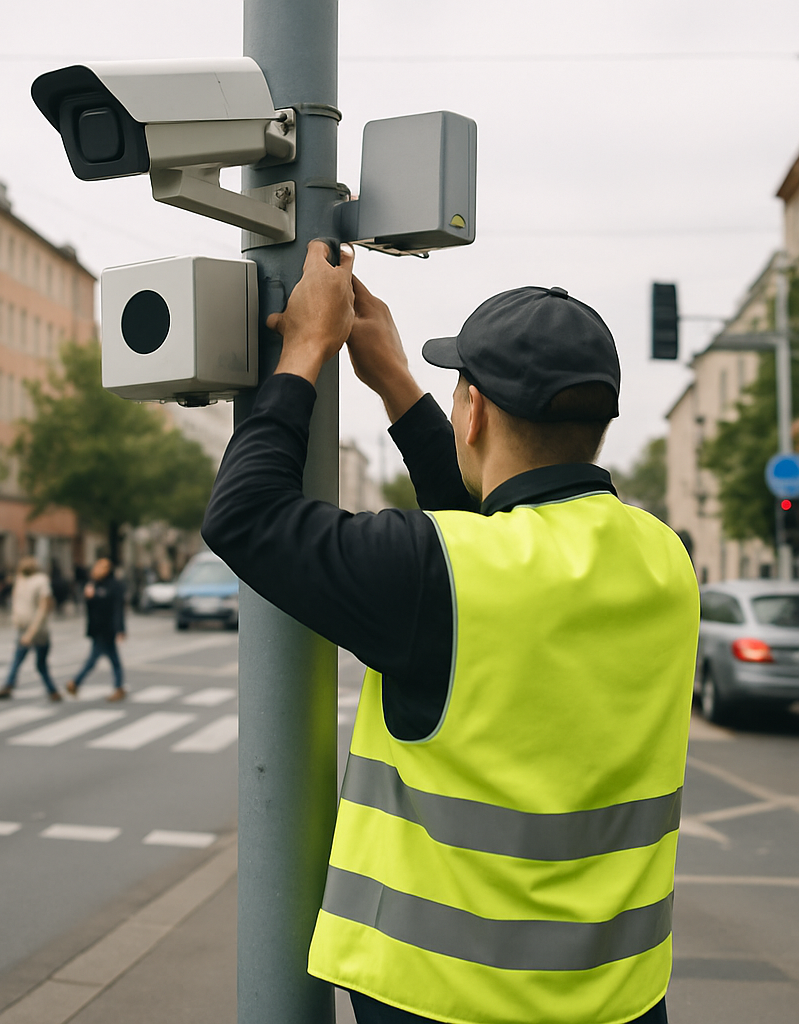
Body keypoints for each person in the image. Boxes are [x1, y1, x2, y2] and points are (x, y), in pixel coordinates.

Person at [201, 242, 699, 1024]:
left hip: (443, 1001)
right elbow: (490, 535)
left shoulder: (445, 574)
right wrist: (396, 383)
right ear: (601, 418)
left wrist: (304, 349)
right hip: (617, 999)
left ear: (473, 410)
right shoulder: (665, 561)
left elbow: (245, 515)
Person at [0, 555, 60, 702]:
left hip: (37, 630)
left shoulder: (41, 581)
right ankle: (11, 684)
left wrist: (32, 632)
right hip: (23, 627)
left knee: (39, 663)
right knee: (22, 659)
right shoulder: (20, 580)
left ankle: (51, 691)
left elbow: (44, 607)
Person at [65, 557, 127, 702]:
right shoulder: (92, 584)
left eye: (104, 567)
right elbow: (90, 610)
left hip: (108, 629)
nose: (100, 569)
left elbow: (118, 609)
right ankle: (118, 687)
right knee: (111, 660)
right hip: (96, 629)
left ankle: (75, 683)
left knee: (96, 659)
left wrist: (120, 630)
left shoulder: (115, 586)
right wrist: (89, 598)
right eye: (99, 566)